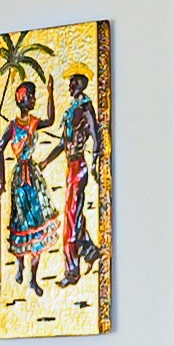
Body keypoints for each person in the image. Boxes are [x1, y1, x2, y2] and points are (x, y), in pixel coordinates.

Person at [0, 73, 53, 293]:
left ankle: (34, 277)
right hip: (20, 178)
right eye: (32, 96)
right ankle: (20, 266)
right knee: (21, 222)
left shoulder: (33, 123)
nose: (34, 100)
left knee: (37, 222)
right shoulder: (13, 126)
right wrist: (0, 180)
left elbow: (50, 120)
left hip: (34, 177)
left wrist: (51, 94)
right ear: (23, 99)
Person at [54, 64, 103, 283]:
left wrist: (96, 158)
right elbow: (64, 142)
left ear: (82, 83)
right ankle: (89, 250)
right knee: (74, 213)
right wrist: (46, 160)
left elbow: (95, 132)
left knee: (71, 218)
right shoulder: (72, 109)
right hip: (70, 167)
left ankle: (72, 270)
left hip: (78, 166)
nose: (70, 85)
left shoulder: (84, 107)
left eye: (74, 81)